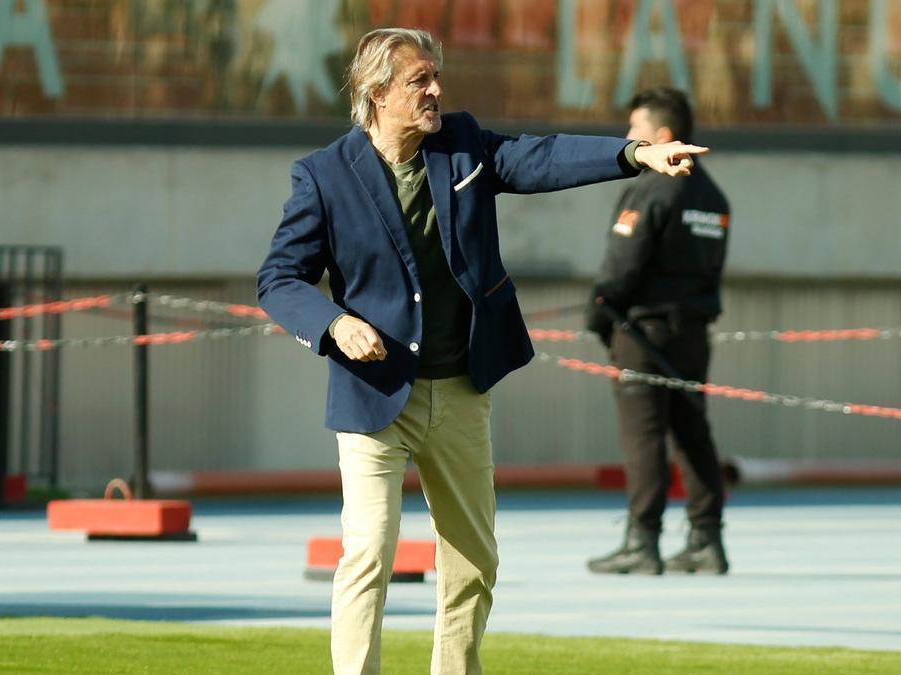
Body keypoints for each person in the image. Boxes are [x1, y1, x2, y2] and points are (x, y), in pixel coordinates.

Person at [256, 29, 707, 675]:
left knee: (472, 560)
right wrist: (332, 325)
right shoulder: (323, 175)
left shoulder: (462, 142)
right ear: (377, 91)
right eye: (420, 80)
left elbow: (540, 157)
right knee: (368, 555)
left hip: (463, 387)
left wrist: (636, 154)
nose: (436, 90)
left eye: (437, 76)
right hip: (374, 394)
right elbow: (278, 279)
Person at [585, 87, 731, 576]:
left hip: (643, 331)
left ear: (663, 137)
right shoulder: (713, 196)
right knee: (692, 431)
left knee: (643, 435)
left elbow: (623, 261)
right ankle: (706, 538)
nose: (628, 138)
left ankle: (641, 541)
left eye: (636, 130)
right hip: (693, 330)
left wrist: (600, 307)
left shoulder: (651, 187)